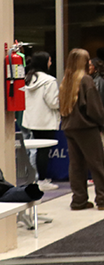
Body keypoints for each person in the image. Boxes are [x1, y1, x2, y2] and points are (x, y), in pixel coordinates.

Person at [59, 48, 104, 211]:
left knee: (76, 165)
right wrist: (100, 122)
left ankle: (79, 200)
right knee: (97, 164)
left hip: (70, 128)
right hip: (86, 127)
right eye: (88, 60)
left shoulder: (65, 81)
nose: (90, 63)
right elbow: (94, 108)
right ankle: (103, 199)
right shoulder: (86, 80)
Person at [22, 51, 60, 191]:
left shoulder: (28, 79)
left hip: (32, 120)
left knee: (36, 150)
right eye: (49, 60)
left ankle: (36, 178)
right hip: (46, 120)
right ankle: (42, 179)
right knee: (43, 151)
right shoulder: (49, 81)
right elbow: (53, 102)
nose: (51, 63)